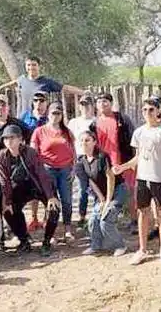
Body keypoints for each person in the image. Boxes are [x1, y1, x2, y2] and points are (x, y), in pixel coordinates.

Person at [114, 98, 161, 266]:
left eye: (151, 109)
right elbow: (137, 157)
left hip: (160, 179)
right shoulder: (138, 132)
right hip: (142, 179)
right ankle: (142, 249)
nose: (147, 113)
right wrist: (123, 167)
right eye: (144, 110)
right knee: (143, 213)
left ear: (158, 111)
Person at [0, 125, 60, 257]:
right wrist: (7, 201)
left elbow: (41, 173)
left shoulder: (30, 152)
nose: (9, 141)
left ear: (20, 139)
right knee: (9, 211)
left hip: (37, 185)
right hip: (18, 188)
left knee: (54, 209)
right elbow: (4, 181)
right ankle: (24, 240)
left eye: (12, 137)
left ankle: (46, 241)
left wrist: (50, 196)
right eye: (6, 138)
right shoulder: (1, 156)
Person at [76, 130, 128, 256]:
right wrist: (102, 200)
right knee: (93, 220)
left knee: (106, 218)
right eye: (82, 140)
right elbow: (91, 183)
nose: (84, 143)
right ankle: (96, 246)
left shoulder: (102, 156)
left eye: (87, 140)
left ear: (94, 142)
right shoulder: (81, 161)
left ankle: (120, 245)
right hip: (102, 195)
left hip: (116, 191)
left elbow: (111, 177)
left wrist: (108, 202)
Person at [31, 102, 76, 241]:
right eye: (53, 113)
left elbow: (73, 149)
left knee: (67, 200)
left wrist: (74, 168)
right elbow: (34, 151)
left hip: (65, 169)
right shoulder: (39, 131)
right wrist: (38, 170)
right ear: (48, 114)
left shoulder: (67, 132)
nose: (56, 116)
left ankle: (68, 229)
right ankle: (52, 231)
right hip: (47, 169)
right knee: (51, 201)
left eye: (58, 113)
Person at [91, 92, 136, 232]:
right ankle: (109, 221)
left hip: (122, 161)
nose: (102, 104)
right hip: (104, 164)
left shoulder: (121, 119)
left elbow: (132, 140)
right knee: (105, 191)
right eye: (99, 102)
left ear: (111, 103)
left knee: (129, 191)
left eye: (105, 101)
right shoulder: (94, 123)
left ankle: (134, 220)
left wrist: (132, 162)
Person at [0, 56, 85, 115]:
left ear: (38, 66)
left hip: (40, 118)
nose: (31, 68)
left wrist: (83, 92)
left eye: (34, 65)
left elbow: (65, 88)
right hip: (24, 118)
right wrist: (1, 87)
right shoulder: (22, 80)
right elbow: (13, 83)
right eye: (28, 65)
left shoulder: (46, 82)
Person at [68, 95, 97, 226]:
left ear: (92, 106)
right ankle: (82, 215)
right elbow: (69, 142)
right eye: (83, 105)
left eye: (88, 104)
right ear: (79, 107)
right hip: (79, 157)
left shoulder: (96, 121)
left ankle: (97, 215)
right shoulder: (73, 122)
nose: (85, 107)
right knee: (82, 188)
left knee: (97, 186)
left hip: (94, 157)